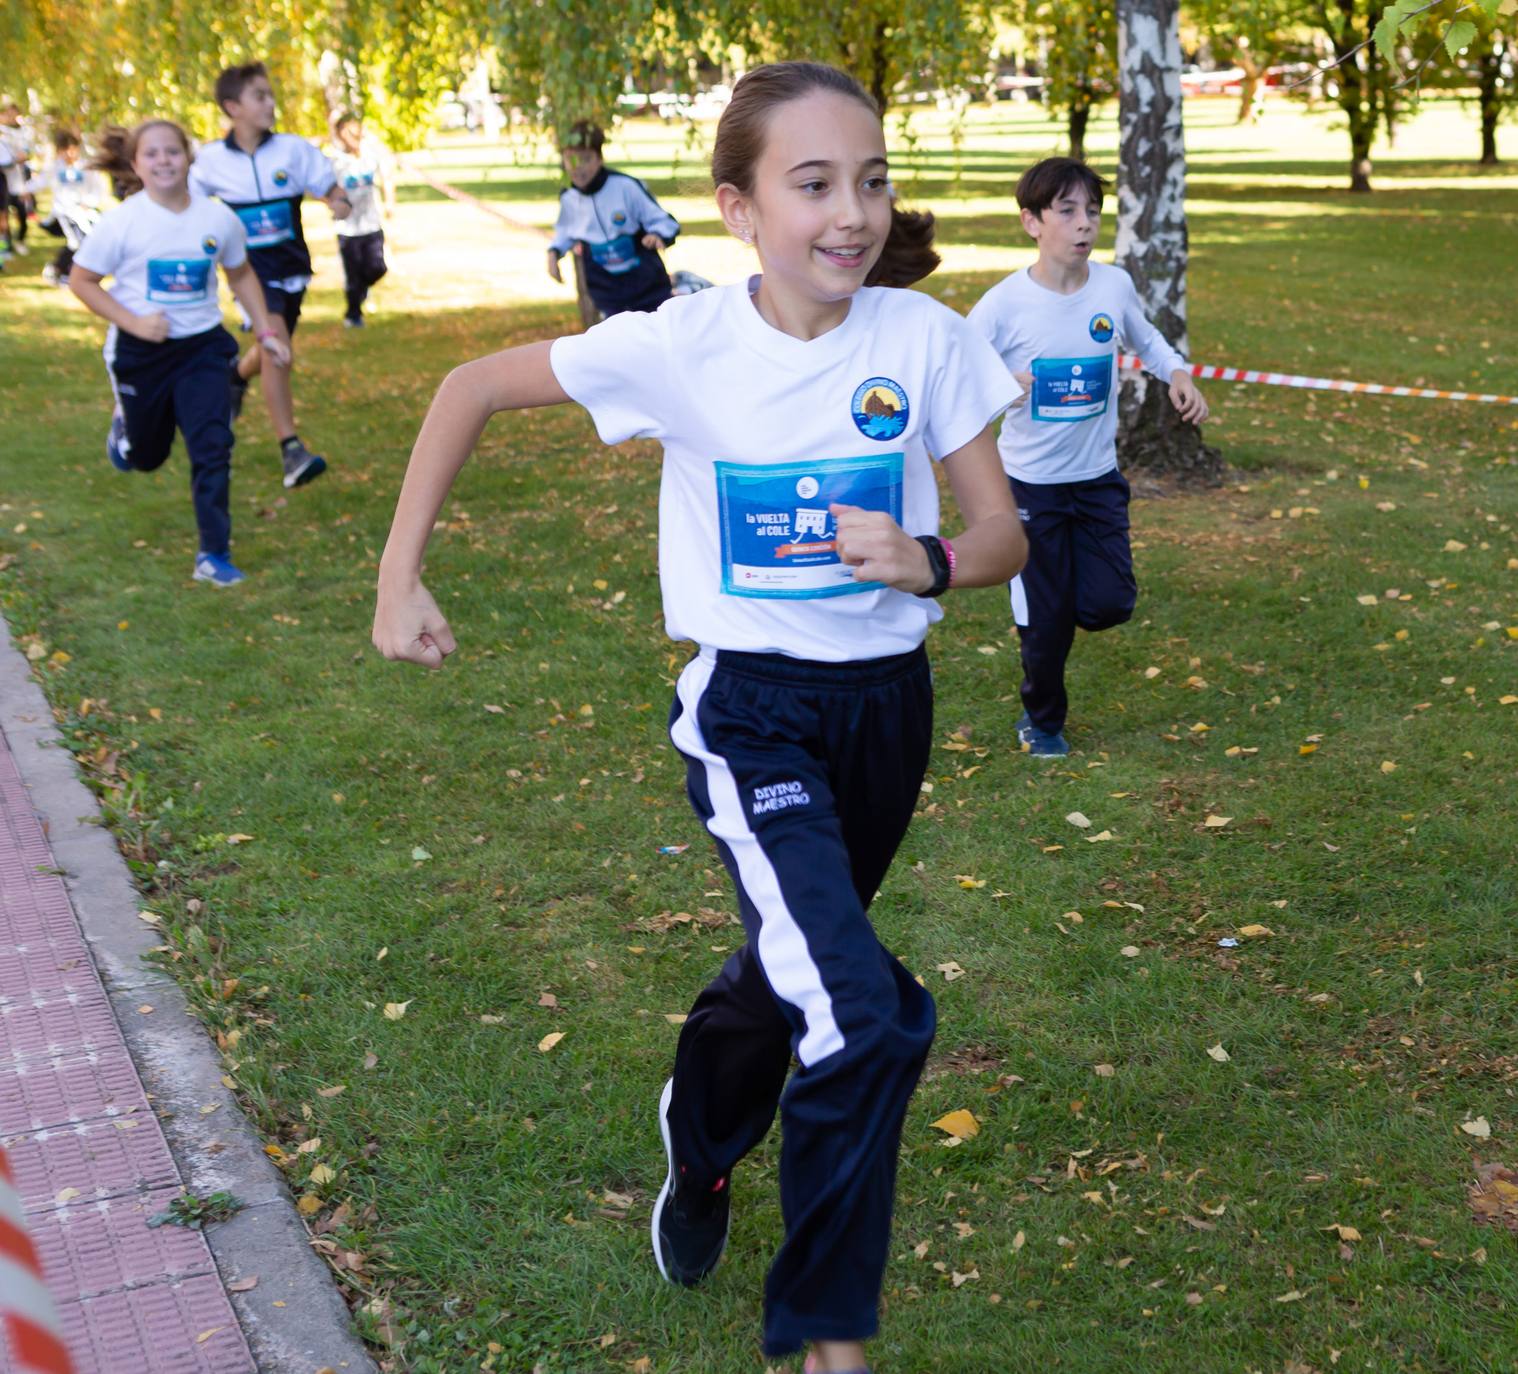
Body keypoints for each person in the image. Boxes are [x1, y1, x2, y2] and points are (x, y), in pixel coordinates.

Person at [373, 61, 1026, 1373]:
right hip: (750, 712)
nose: (852, 213)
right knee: (863, 1006)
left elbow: (1003, 533)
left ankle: (699, 1129)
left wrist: (930, 560)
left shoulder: (924, 339)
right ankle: (824, 1336)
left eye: (873, 180)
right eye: (813, 184)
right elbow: (467, 388)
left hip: (886, 713)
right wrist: (398, 574)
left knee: (796, 968)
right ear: (735, 209)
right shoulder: (678, 342)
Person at [966, 156, 1208, 756]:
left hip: (1098, 480)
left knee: (1107, 604)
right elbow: (959, 375)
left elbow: (1145, 337)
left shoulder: (1112, 285)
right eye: (1067, 211)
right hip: (1031, 487)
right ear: (1031, 222)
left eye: (1093, 212)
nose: (1084, 225)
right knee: (1047, 623)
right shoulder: (1004, 304)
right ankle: (1042, 721)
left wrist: (1175, 373)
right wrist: (1006, 383)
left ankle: (1046, 597)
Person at [70, 119, 292, 586]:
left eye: (172, 151)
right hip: (140, 352)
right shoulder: (122, 222)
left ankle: (214, 553)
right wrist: (133, 322)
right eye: (151, 154)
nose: (163, 160)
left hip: (202, 349)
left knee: (213, 445)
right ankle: (125, 433)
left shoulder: (217, 219)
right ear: (135, 165)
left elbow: (241, 275)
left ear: (189, 158)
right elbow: (81, 280)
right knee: (147, 457)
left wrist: (267, 332)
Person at [189, 61, 351, 488]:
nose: (270, 102)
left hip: (291, 268)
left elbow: (328, 185)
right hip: (248, 271)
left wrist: (338, 200)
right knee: (276, 345)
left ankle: (235, 376)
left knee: (273, 348)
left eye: (270, 94)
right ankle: (291, 449)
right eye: (259, 95)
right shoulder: (209, 161)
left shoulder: (293, 150)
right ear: (232, 107)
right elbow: (188, 205)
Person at [546, 121, 680, 318]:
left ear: (599, 159)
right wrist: (553, 254)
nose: (578, 168)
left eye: (585, 159)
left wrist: (657, 235)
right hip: (606, 293)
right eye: (571, 160)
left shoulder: (626, 187)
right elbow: (566, 231)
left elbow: (665, 222)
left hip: (646, 287)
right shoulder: (569, 197)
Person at [326, 109, 394, 327]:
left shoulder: (369, 154)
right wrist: (334, 206)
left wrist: (390, 201)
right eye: (346, 133)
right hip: (347, 228)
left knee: (378, 267)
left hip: (371, 223)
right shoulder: (335, 161)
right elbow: (325, 191)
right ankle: (353, 315)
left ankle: (361, 290)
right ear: (339, 135)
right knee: (353, 274)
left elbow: (386, 174)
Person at [36, 130, 107, 284]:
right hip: (65, 212)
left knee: (87, 241)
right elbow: (41, 182)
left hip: (84, 212)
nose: (69, 153)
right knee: (76, 242)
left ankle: (68, 271)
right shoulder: (54, 167)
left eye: (72, 149)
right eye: (65, 150)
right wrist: (23, 192)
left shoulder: (85, 167)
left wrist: (88, 203)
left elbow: (97, 189)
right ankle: (58, 270)